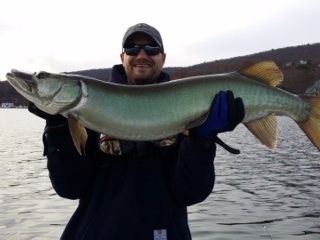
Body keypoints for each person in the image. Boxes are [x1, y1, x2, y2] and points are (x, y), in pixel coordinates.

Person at [29, 23, 244, 240]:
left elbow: (190, 192)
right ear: (122, 57)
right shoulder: (88, 110)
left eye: (151, 49)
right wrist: (58, 129)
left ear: (163, 57)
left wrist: (200, 142)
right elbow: (70, 187)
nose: (142, 54)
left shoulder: (187, 114)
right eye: (132, 48)